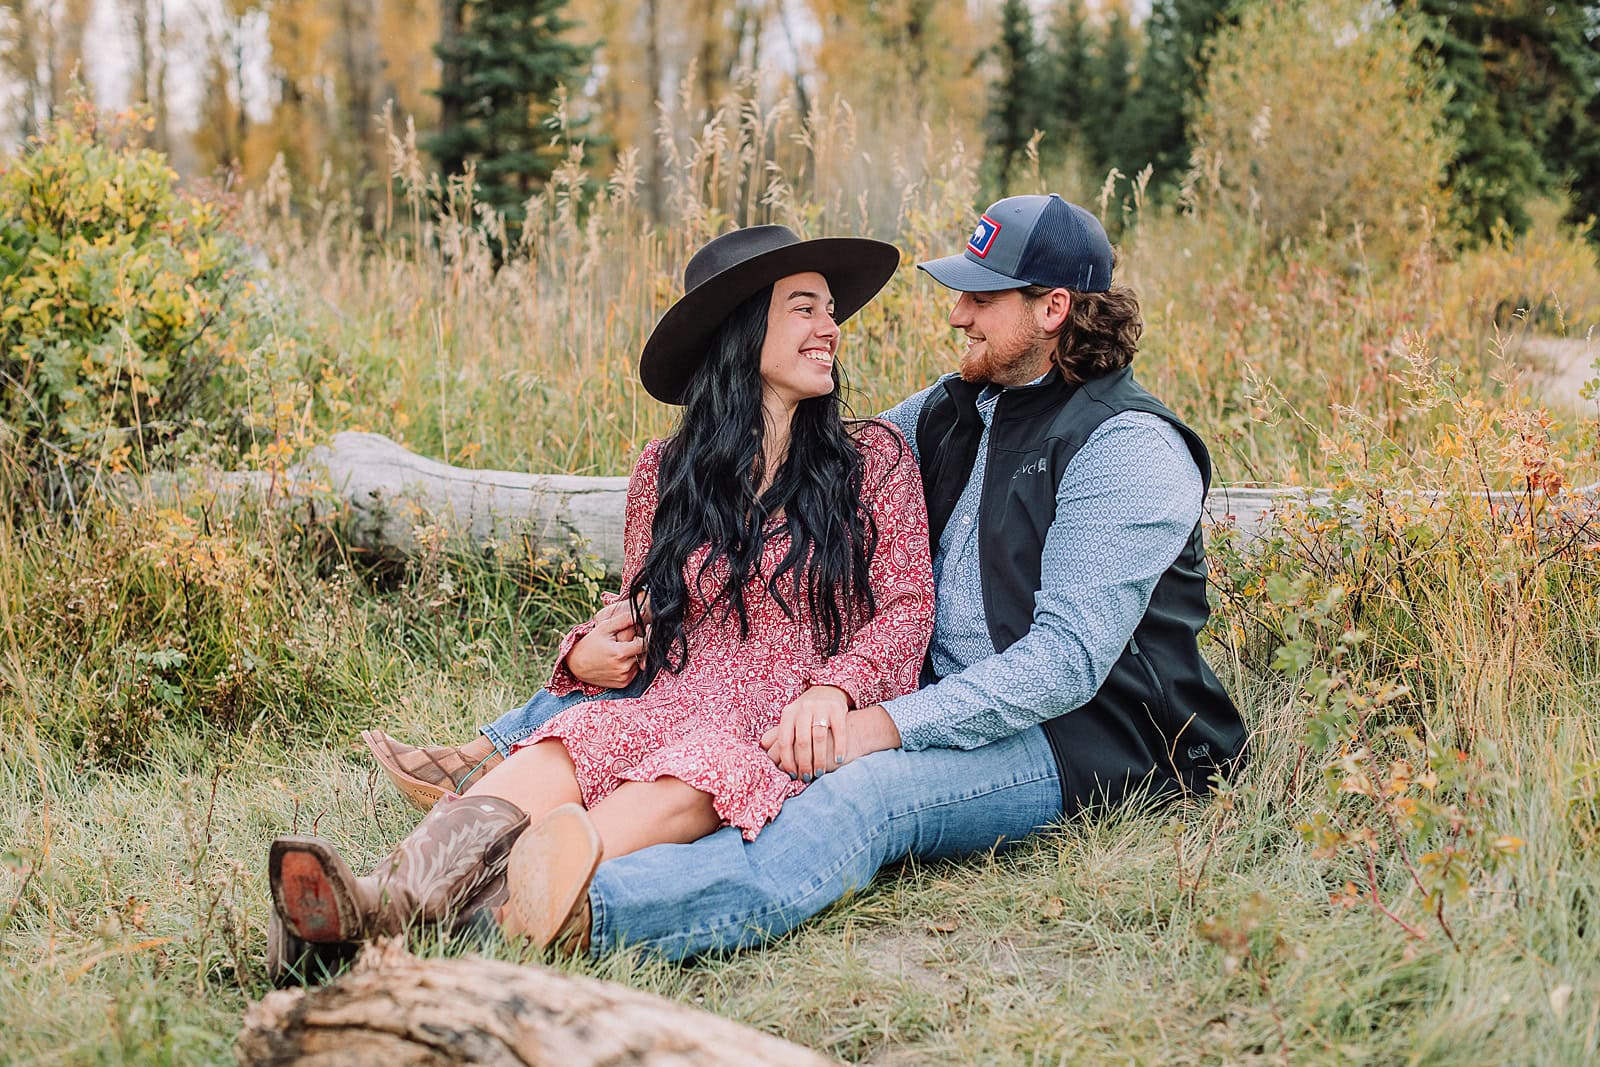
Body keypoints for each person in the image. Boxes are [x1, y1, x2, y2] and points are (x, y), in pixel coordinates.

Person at [365, 194, 1248, 963]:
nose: (957, 316)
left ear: (1053, 309)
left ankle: (564, 913)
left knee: (856, 797)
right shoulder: (952, 410)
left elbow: (1063, 666)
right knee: (627, 704)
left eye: (981, 297)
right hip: (939, 690)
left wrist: (877, 722)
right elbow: (801, 469)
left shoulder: (1128, 449)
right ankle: (426, 855)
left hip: (1093, 733)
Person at [265, 225, 936, 980]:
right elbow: (638, 608)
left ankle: (481, 916)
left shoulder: (874, 460)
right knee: (564, 745)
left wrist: (837, 685)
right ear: (744, 330)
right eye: (804, 308)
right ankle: (375, 898)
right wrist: (587, 650)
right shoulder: (668, 469)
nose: (829, 328)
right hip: (665, 699)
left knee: (691, 774)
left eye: (830, 309)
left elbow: (909, 608)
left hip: (770, 727)